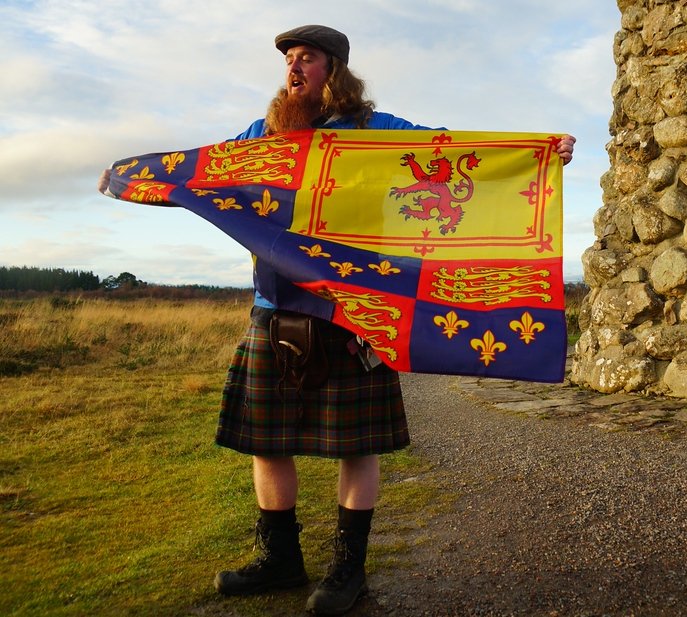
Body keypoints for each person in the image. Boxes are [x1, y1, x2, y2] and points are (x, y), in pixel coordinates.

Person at [100, 24, 574, 616]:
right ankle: (280, 560)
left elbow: (450, 150)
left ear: (336, 70)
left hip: (355, 307)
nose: (294, 69)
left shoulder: (376, 132)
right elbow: (204, 172)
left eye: (308, 59)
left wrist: (539, 151)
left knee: (357, 446)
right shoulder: (264, 135)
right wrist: (133, 177)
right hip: (275, 307)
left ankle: (348, 570)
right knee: (267, 442)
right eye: (290, 60)